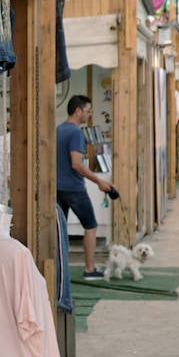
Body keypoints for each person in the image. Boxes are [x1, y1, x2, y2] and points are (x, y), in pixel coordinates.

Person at [56, 95, 117, 279]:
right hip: (74, 188)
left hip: (57, 188)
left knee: (60, 230)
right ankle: (89, 269)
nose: (90, 115)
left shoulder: (58, 130)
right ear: (78, 111)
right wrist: (99, 181)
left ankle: (60, 270)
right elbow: (77, 163)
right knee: (90, 226)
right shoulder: (75, 133)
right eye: (88, 111)